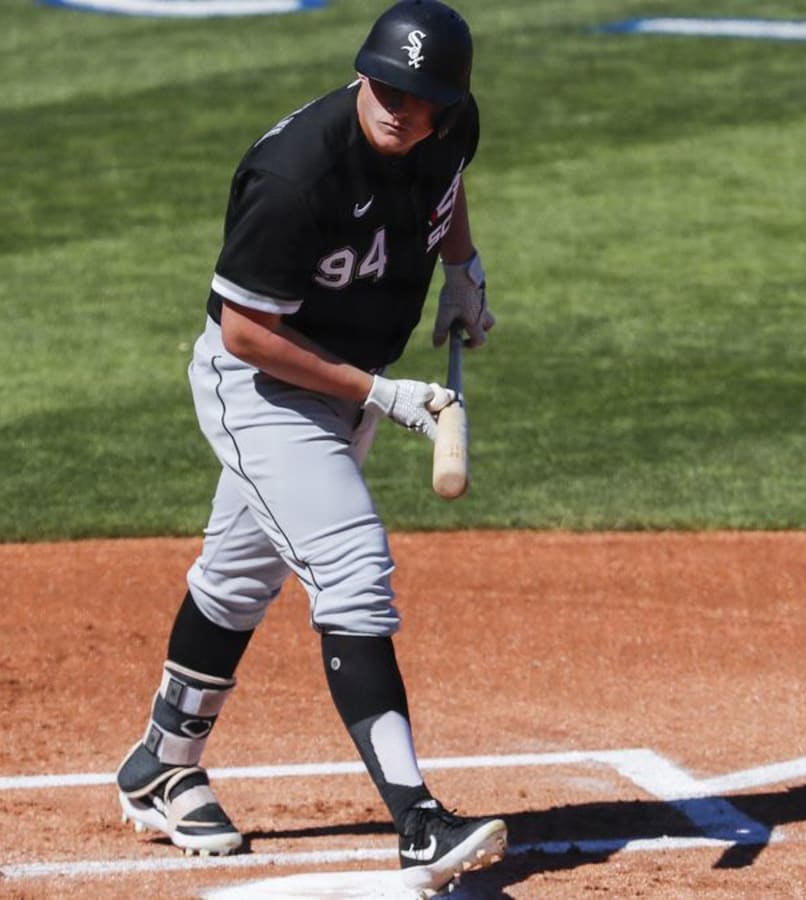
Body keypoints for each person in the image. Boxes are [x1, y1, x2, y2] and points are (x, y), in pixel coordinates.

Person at [114, 1, 504, 894]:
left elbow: (444, 189)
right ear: (363, 69)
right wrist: (382, 394)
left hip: (345, 376)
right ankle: (418, 822)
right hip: (264, 388)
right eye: (385, 84)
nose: (397, 105)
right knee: (353, 570)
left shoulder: (448, 127)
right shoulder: (296, 173)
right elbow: (247, 333)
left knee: (240, 576)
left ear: (448, 105)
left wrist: (461, 271)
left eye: (421, 97)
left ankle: (161, 764)